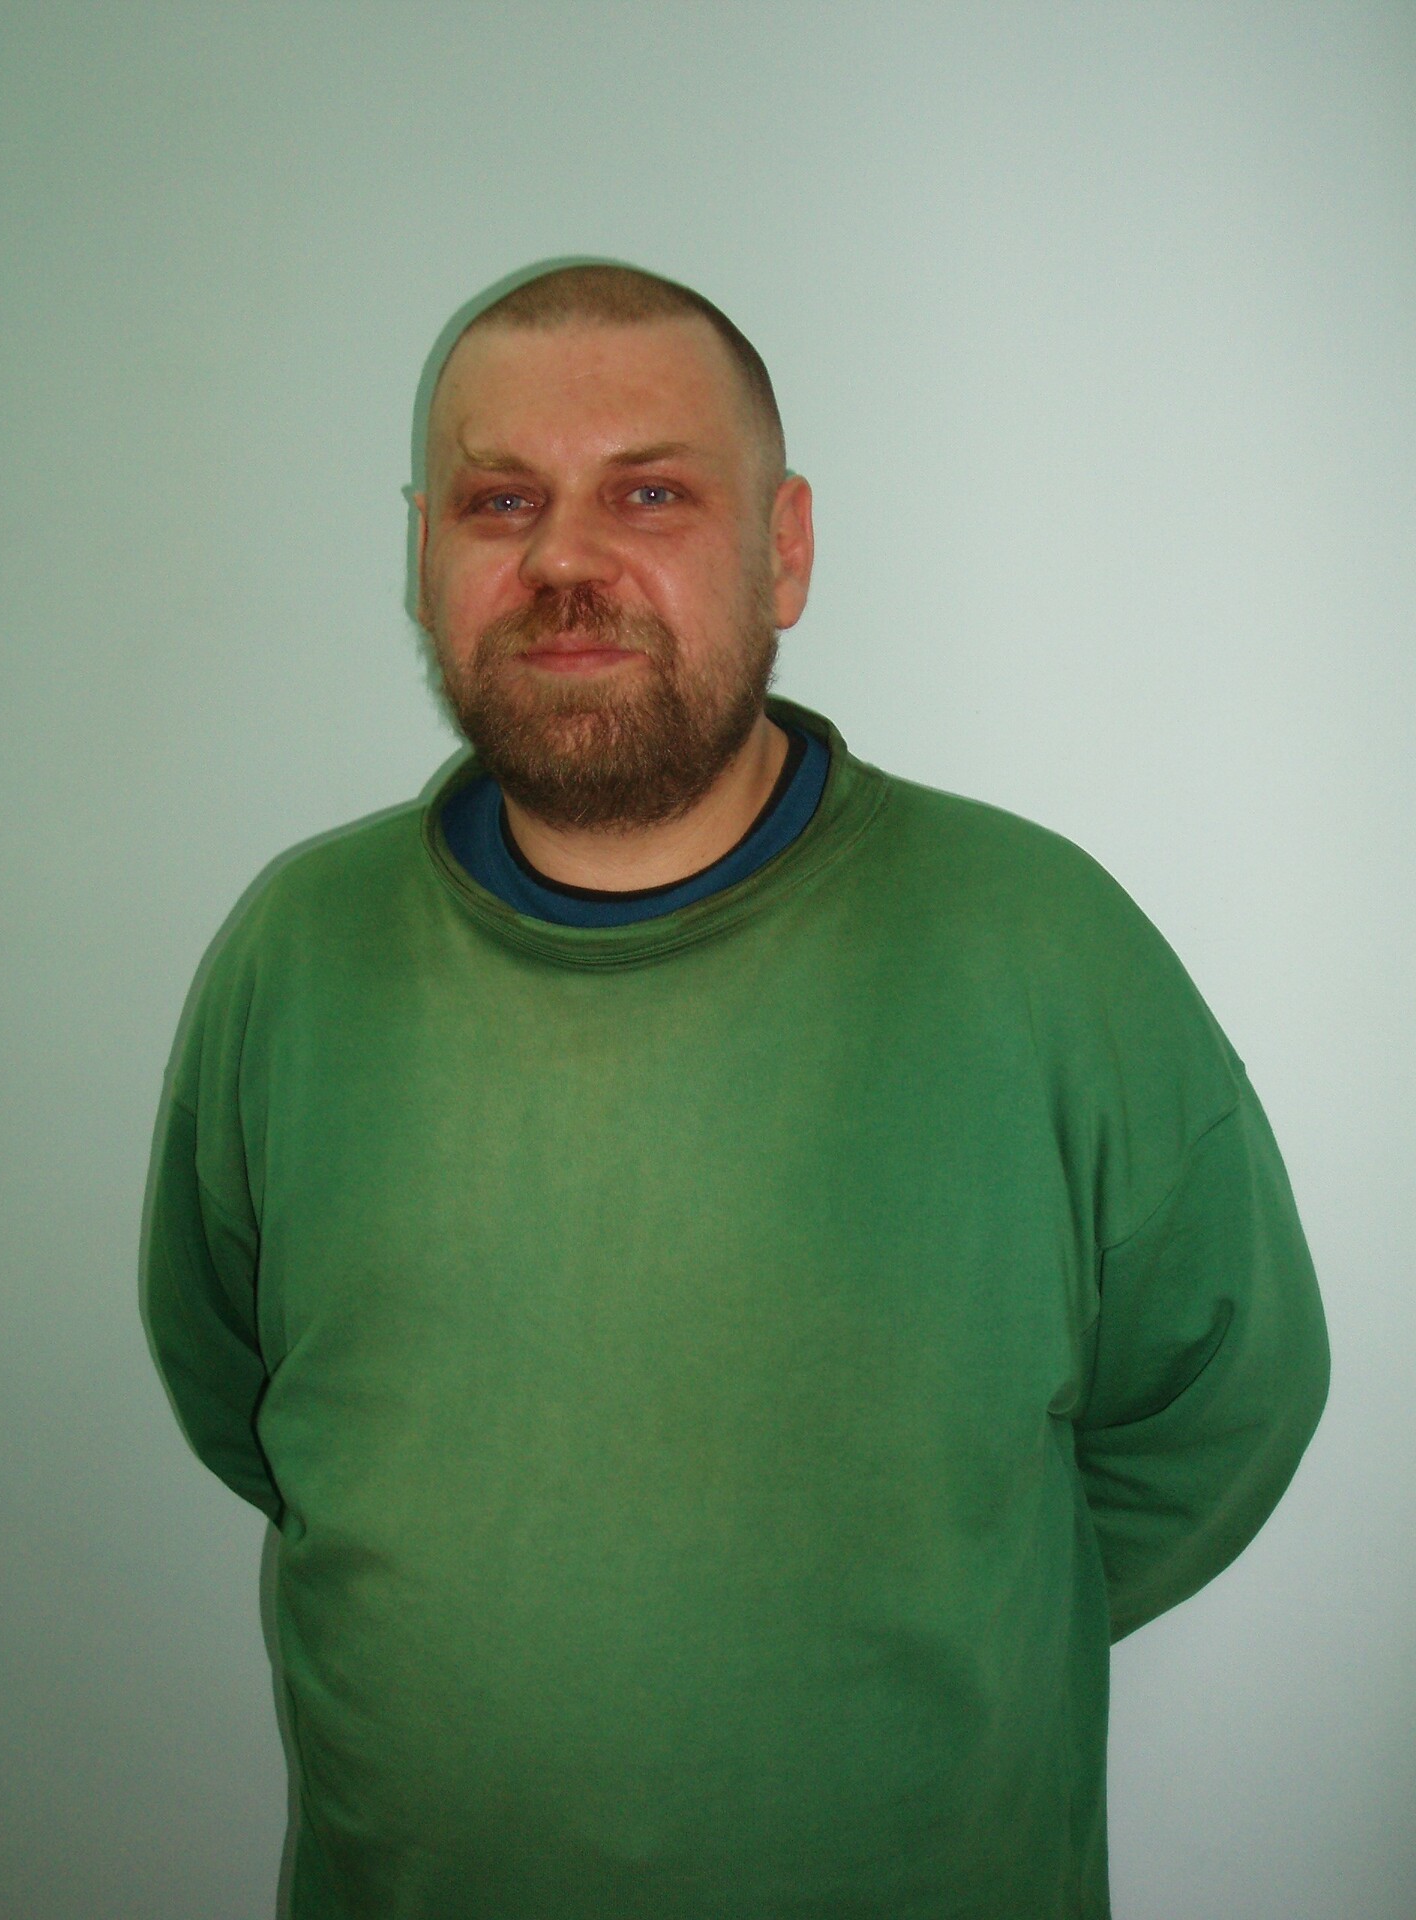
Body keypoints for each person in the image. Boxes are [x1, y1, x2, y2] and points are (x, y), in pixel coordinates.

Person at [143, 262, 1329, 1920]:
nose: (564, 560)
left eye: (650, 494)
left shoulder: (1039, 947)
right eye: (500, 500)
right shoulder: (296, 951)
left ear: (787, 549)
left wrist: (961, 1636)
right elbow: (236, 1382)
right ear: (424, 557)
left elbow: (1228, 1400)